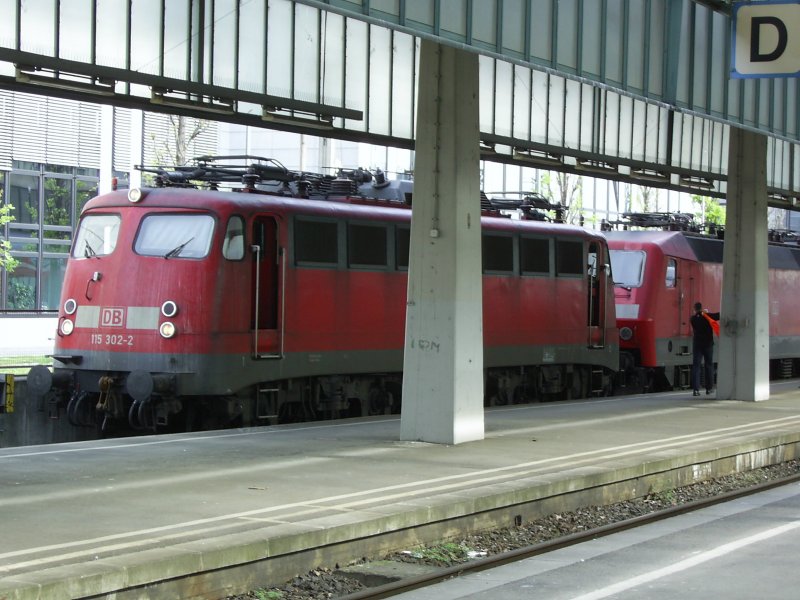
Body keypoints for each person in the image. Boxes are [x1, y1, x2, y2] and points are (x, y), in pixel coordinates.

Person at [690, 302, 720, 396]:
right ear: (701, 308)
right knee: (709, 365)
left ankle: (696, 390)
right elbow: (718, 315)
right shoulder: (707, 316)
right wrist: (706, 313)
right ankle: (709, 389)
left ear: (694, 309)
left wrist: (703, 313)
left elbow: (698, 317)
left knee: (696, 366)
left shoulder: (692, 319)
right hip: (708, 344)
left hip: (697, 345)